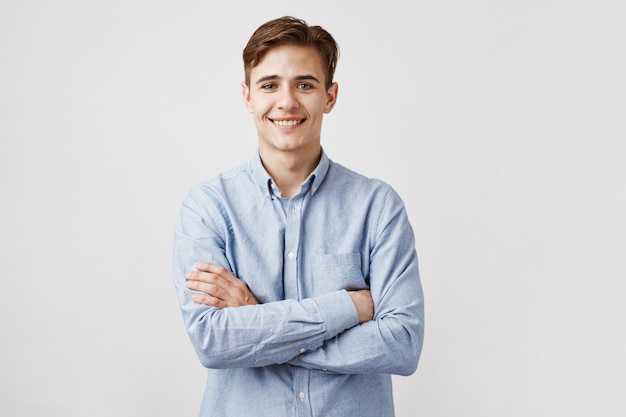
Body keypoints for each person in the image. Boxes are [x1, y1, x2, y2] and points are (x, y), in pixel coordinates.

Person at [173, 15, 424, 417]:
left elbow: (402, 343)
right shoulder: (208, 207)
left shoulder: (377, 206)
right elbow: (213, 343)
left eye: (304, 84)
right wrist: (349, 308)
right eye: (269, 84)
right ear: (247, 96)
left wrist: (255, 325)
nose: (286, 101)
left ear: (330, 96)